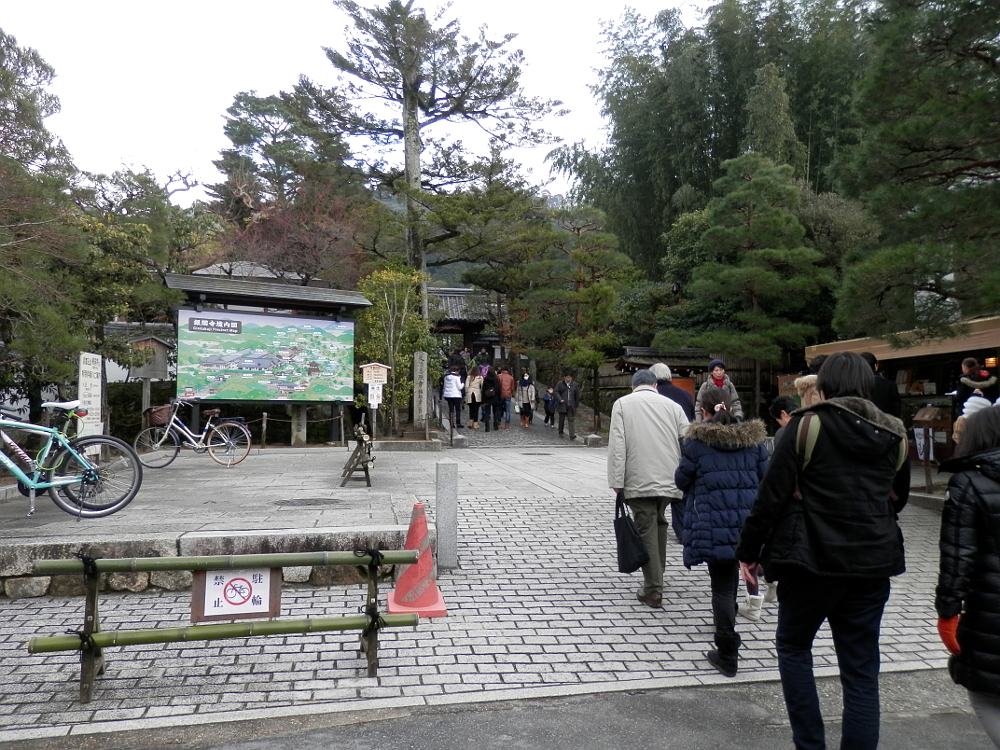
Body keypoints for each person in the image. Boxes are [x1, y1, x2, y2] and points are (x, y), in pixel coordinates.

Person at [737, 351, 910, 750]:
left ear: (824, 385)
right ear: (868, 384)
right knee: (861, 670)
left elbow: (769, 498)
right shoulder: (894, 431)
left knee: (794, 646)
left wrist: (748, 552)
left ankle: (810, 745)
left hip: (809, 559)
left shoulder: (806, 426)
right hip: (872, 562)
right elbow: (896, 501)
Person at [675, 386, 768, 676]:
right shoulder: (754, 441)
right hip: (747, 523)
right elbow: (766, 478)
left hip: (713, 524)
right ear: (730, 406)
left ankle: (727, 651)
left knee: (723, 587)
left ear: (703, 410)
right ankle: (731, 632)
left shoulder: (696, 443)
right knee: (734, 581)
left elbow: (681, 480)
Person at [936, 405, 1000, 749]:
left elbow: (957, 558)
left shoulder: (968, 482)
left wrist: (947, 612)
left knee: (986, 696)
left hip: (989, 610)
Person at [608, 368, 690, 608]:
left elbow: (618, 444)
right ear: (655, 385)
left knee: (646, 527)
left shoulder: (623, 404)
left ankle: (653, 588)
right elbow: (687, 439)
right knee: (659, 523)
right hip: (669, 477)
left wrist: (616, 480)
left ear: (633, 386)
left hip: (638, 477)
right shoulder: (673, 406)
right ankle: (657, 576)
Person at [649, 362, 695, 541]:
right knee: (679, 490)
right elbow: (690, 421)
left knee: (656, 488)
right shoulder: (684, 394)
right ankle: (682, 531)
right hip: (680, 447)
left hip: (656, 447)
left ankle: (654, 525)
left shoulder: (652, 396)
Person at [859, 352, 901, 417]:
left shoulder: (854, 385)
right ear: (876, 366)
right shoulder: (889, 385)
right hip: (885, 423)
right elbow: (896, 411)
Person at [555, 369, 580, 440]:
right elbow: (556, 392)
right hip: (562, 404)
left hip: (571, 405)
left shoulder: (574, 385)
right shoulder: (560, 384)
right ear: (564, 377)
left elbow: (576, 396)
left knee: (571, 420)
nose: (569, 379)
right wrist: (560, 399)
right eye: (567, 377)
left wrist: (576, 405)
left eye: (570, 378)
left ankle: (572, 434)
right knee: (561, 419)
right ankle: (560, 432)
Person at [442, 366, 464, 430]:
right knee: (457, 409)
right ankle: (458, 422)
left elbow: (445, 386)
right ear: (457, 371)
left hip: (448, 395)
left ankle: (451, 423)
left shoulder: (446, 377)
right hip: (456, 395)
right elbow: (459, 387)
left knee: (451, 409)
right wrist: (462, 383)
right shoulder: (457, 377)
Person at [480, 365, 500, 433]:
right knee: (495, 412)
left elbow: (483, 390)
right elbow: (498, 389)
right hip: (494, 397)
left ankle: (487, 427)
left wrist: (482, 399)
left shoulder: (486, 379)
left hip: (487, 397)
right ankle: (495, 426)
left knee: (487, 413)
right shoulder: (495, 379)